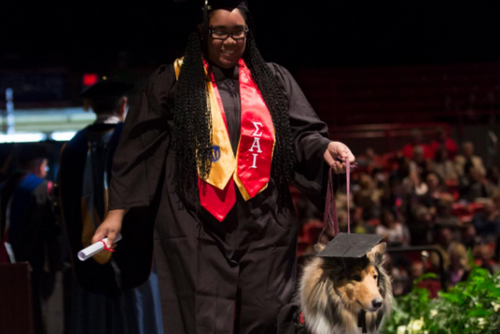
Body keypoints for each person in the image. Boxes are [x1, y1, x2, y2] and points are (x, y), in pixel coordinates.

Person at [92, 1, 355, 333]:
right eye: (220, 33)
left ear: (248, 34)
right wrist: (116, 213)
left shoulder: (271, 80)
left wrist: (324, 148)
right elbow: (139, 148)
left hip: (264, 221)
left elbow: (301, 134)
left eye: (238, 33)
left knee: (266, 315)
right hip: (196, 222)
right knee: (204, 319)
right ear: (203, 32)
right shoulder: (173, 81)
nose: (230, 42)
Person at [58, 79, 163, 334]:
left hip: (89, 254)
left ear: (92, 107)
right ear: (123, 105)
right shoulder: (137, 142)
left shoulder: (71, 149)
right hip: (134, 252)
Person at [0, 143, 63, 334]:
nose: (46, 169)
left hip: (9, 264)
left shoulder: (5, 187)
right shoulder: (44, 189)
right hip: (42, 265)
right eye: (45, 165)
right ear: (37, 165)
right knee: (45, 318)